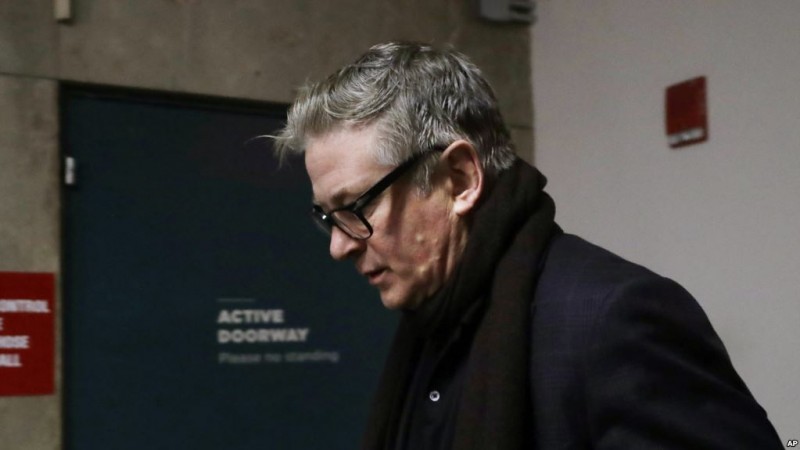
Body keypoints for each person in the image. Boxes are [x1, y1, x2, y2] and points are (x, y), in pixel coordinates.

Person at [273, 42, 782, 449]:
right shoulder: (432, 321)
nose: (338, 247)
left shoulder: (611, 319)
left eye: (356, 207)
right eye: (328, 217)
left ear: (460, 178)